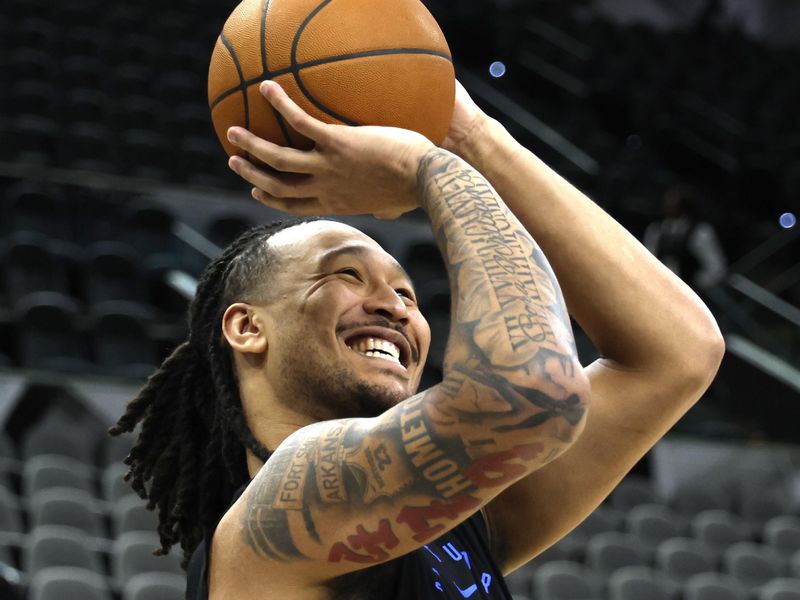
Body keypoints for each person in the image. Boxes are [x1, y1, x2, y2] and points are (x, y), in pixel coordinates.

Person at [110, 81, 724, 599]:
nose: (394, 308)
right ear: (247, 327)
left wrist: (473, 136)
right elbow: (532, 393)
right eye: (345, 275)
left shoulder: (450, 522)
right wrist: (431, 168)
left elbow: (679, 352)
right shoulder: (283, 506)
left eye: (408, 295)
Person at [643, 184, 728, 292]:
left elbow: (716, 268)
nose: (670, 204)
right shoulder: (657, 230)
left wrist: (693, 286)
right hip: (657, 288)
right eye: (668, 200)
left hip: (687, 292)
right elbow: (648, 259)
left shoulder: (699, 232)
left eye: (675, 201)